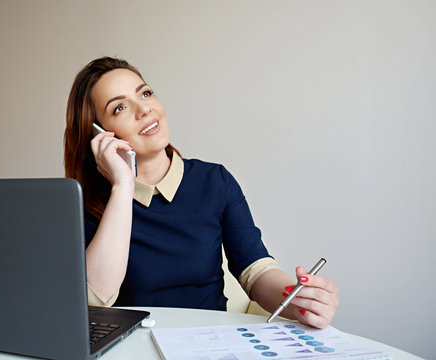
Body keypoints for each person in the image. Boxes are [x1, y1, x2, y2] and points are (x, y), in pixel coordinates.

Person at [64, 57, 339, 329]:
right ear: (99, 135)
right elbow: (95, 299)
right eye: (120, 107)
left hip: (208, 344)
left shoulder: (215, 180)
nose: (144, 109)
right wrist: (122, 187)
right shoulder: (91, 202)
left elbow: (255, 270)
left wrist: (295, 299)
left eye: (145, 93)